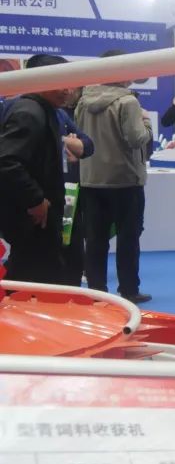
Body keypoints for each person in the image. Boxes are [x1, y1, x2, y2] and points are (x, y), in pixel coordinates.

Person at [76, 51, 153, 304]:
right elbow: (136, 139)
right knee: (128, 238)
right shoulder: (128, 102)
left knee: (95, 239)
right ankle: (129, 289)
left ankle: (96, 290)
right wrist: (147, 124)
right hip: (125, 180)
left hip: (91, 178)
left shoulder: (83, 100)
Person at [0, 54, 71, 282]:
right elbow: (7, 161)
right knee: (35, 279)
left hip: (39, 215)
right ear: (40, 80)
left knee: (34, 273)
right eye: (60, 83)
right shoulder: (29, 112)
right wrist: (35, 199)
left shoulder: (42, 110)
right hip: (34, 217)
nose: (67, 90)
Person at [57, 90, 95, 287]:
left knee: (72, 248)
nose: (68, 91)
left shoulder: (60, 114)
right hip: (38, 196)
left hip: (69, 191)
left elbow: (87, 145)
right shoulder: (19, 109)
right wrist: (66, 139)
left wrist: (64, 140)